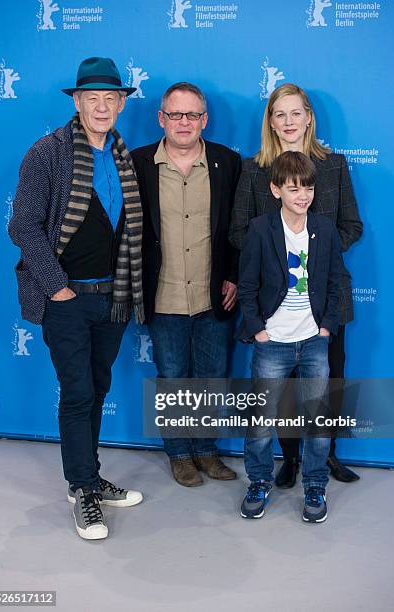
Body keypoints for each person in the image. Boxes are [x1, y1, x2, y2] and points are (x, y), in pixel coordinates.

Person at [9, 57, 144, 540]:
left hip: (114, 295)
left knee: (98, 388)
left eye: (111, 98)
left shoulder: (126, 157)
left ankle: (87, 476)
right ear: (77, 101)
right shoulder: (47, 153)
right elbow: (21, 223)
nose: (102, 106)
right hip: (66, 298)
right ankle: (83, 490)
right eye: (93, 98)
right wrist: (57, 289)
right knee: (79, 392)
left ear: (122, 103)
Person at [229, 83, 363, 485]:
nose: (288, 122)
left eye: (295, 113)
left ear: (309, 117)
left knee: (328, 378)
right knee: (281, 387)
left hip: (324, 301)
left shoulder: (335, 166)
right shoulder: (254, 169)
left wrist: (315, 253)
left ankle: (329, 456)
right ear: (270, 121)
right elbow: (238, 231)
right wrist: (277, 254)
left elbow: (352, 225)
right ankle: (290, 457)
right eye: (279, 114)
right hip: (276, 306)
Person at [131, 82, 241, 486]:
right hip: (163, 293)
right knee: (174, 377)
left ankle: (207, 451)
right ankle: (179, 454)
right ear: (161, 118)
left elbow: (236, 227)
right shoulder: (138, 162)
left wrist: (233, 275)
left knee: (211, 376)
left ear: (204, 120)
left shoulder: (227, 163)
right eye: (175, 114)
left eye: (192, 114)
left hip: (214, 293)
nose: (183, 122)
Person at [238, 150, 342, 523]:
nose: (303, 195)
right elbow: (247, 285)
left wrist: (326, 326)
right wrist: (259, 331)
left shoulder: (325, 230)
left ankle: (315, 485)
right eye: (294, 188)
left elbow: (335, 281)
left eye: (308, 188)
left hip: (314, 339)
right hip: (273, 342)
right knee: (262, 421)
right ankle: (259, 481)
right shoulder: (261, 229)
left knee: (317, 422)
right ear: (276, 189)